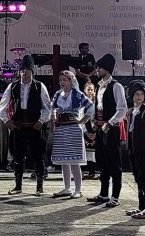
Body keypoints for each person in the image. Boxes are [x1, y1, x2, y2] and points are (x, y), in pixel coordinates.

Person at [0, 54, 51, 196]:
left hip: (35, 126)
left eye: (27, 69)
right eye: (22, 70)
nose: (24, 72)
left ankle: (39, 186)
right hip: (18, 126)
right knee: (18, 157)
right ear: (19, 71)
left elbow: (47, 107)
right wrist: (7, 121)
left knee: (38, 156)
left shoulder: (40, 86)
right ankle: (18, 186)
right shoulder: (12, 86)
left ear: (32, 71)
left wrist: (41, 121)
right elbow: (2, 107)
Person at [86, 54, 127, 207]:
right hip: (100, 128)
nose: (97, 70)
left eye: (100, 68)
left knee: (114, 163)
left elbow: (122, 109)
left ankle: (115, 196)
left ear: (107, 69)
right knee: (102, 161)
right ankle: (103, 194)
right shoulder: (99, 86)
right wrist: (95, 122)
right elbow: (98, 107)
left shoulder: (116, 86)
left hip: (112, 129)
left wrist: (109, 123)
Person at [51, 70, 94, 199]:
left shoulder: (77, 94)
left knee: (74, 161)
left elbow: (90, 106)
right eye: (60, 80)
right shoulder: (58, 94)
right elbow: (52, 108)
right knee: (64, 161)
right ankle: (67, 188)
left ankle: (78, 189)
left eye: (64, 80)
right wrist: (54, 117)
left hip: (73, 129)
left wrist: (82, 120)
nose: (62, 82)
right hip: (61, 129)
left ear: (71, 81)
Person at [125, 80, 145, 219]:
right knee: (138, 178)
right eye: (136, 94)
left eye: (142, 94)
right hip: (132, 149)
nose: (139, 96)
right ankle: (141, 207)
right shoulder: (130, 112)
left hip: (144, 149)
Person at [82, 82, 97, 179]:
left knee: (93, 153)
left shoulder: (97, 104)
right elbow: (81, 119)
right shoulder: (82, 104)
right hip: (85, 129)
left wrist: (94, 133)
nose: (90, 91)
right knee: (84, 152)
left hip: (95, 130)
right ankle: (82, 172)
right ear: (85, 91)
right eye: (88, 89)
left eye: (92, 89)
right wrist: (86, 132)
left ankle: (92, 172)